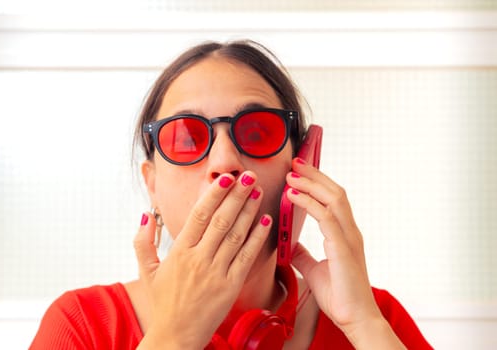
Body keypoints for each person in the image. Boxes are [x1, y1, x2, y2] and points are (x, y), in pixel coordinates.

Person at [30, 40, 432, 349]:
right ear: (152, 185)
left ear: (303, 168)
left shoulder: (376, 318)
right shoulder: (81, 323)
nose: (225, 161)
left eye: (257, 132)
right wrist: (172, 337)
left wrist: (364, 325)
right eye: (186, 136)